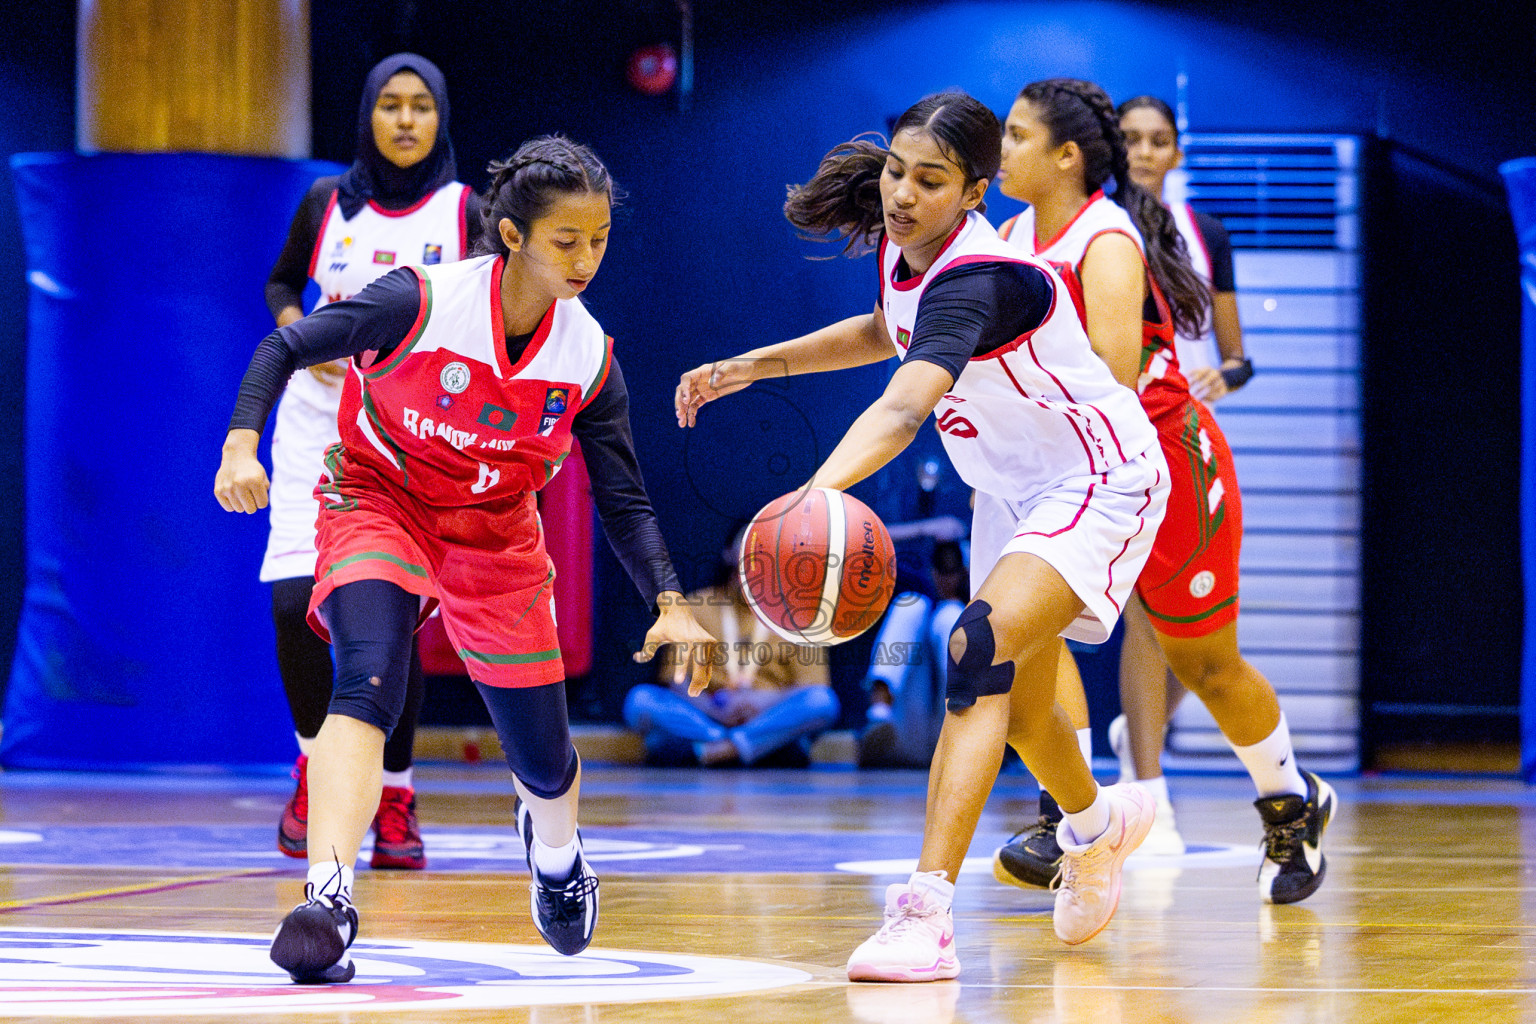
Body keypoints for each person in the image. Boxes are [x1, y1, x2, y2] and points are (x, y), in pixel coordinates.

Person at [676, 91, 1169, 981]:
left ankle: (924, 914)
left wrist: (813, 497)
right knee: (1021, 707)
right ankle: (1098, 826)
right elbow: (884, 329)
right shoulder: (904, 250)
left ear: (975, 191)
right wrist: (753, 366)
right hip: (1008, 491)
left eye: (930, 180)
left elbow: (905, 406)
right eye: (897, 171)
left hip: (1097, 475)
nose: (902, 194)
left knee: (974, 647)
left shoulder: (982, 277)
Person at [215, 135, 720, 983]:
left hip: (494, 530)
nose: (587, 259)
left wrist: (670, 600)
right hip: (381, 496)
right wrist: (240, 445)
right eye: (567, 240)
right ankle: (329, 899)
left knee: (543, 759)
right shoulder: (419, 300)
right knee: (367, 676)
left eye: (599, 239)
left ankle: (555, 854)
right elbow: (282, 348)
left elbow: (624, 499)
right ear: (513, 235)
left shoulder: (587, 356)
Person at [989, 78, 1334, 903]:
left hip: (1164, 456)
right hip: (1066, 467)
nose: (1000, 147)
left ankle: (1292, 803)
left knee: (1205, 664)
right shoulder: (1007, 235)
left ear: (1065, 155)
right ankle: (1069, 817)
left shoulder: (1112, 234)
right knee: (1034, 637)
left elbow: (1109, 381)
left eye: (1016, 133)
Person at [262, 53, 481, 871]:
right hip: (315, 426)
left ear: (440, 117)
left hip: (408, 435)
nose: (405, 119)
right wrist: (302, 331)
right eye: (390, 104)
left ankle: (395, 789)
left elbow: (486, 313)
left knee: (390, 619)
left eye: (421, 105)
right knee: (294, 604)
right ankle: (315, 769)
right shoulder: (325, 201)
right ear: (368, 114)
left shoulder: (466, 211)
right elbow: (281, 283)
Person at [1103, 94, 1257, 850]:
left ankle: (1138, 738)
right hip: (1116, 437)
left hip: (1188, 436)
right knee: (1143, 615)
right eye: (1130, 138)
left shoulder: (1205, 233)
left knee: (1199, 640)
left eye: (1157, 140)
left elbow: (1238, 355)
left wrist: (1228, 374)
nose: (1143, 151)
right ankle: (1148, 796)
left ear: (1177, 152)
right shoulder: (1099, 227)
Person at [624, 527, 840, 767]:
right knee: (640, 700)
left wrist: (759, 702)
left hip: (768, 714)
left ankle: (717, 750)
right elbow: (677, 682)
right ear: (729, 554)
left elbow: (812, 688)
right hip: (708, 715)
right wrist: (713, 709)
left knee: (822, 702)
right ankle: (748, 747)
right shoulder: (695, 606)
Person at [857, 532, 968, 769]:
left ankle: (968, 727)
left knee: (951, 615)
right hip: (910, 731)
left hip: (958, 736)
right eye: (941, 570)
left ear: (965, 572)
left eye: (953, 570)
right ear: (932, 571)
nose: (946, 578)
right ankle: (878, 713)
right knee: (911, 604)